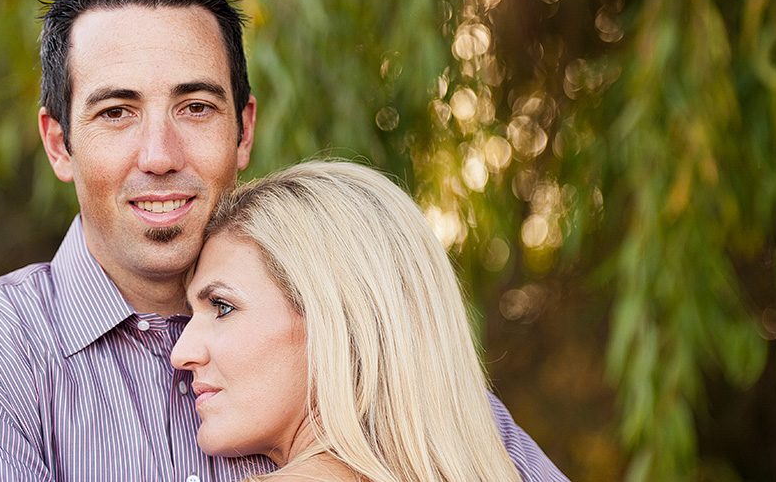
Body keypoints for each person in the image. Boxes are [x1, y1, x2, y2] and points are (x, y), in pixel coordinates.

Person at [0, 0, 568, 482]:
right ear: (57, 143)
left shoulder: (369, 354)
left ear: (243, 130)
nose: (159, 155)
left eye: (195, 107)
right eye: (115, 112)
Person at [173, 160, 555, 482]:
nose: (181, 353)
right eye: (193, 315)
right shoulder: (499, 457)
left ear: (336, 320)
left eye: (222, 306)